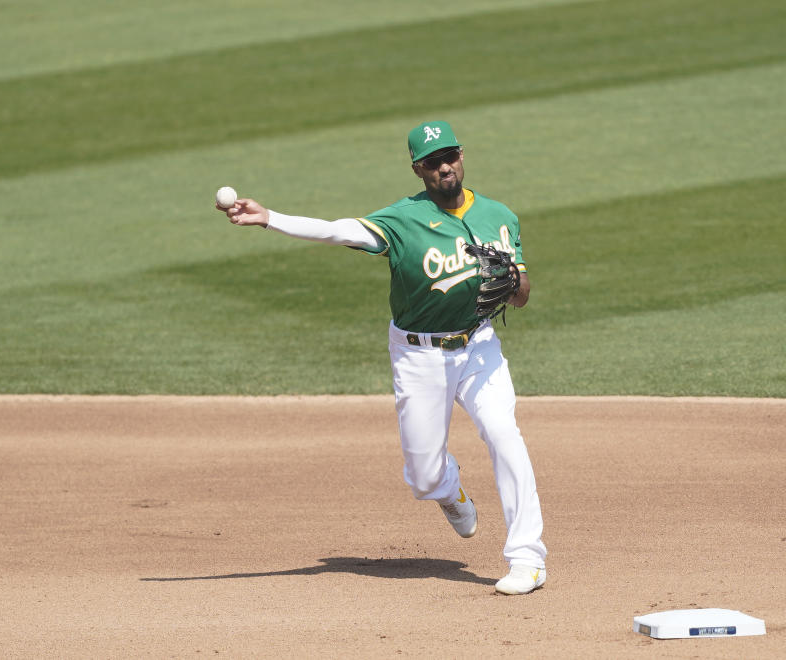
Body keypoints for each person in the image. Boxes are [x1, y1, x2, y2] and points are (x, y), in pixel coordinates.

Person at [218, 121, 547, 595]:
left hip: (478, 346)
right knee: (423, 474)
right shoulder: (400, 221)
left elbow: (522, 296)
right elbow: (335, 231)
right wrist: (271, 216)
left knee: (504, 435)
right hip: (419, 357)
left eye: (450, 155)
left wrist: (512, 281)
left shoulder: (500, 216)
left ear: (461, 155)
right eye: (433, 162)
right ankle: (447, 487)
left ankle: (527, 559)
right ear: (418, 169)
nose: (445, 167)